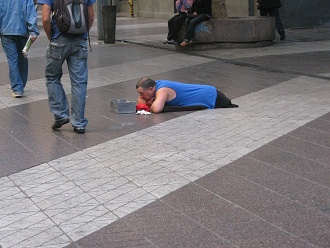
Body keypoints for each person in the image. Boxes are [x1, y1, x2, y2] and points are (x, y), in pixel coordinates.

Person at [38, 0, 96, 134]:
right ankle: (79, 122)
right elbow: (91, 16)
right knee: (79, 82)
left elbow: (46, 17)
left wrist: (50, 36)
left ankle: (61, 114)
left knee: (52, 77)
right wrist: (82, 33)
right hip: (80, 41)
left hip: (58, 39)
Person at [0, 0, 39, 98]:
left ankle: (17, 88)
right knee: (23, 59)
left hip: (6, 32)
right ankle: (21, 84)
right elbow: (31, 12)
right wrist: (33, 31)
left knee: (12, 60)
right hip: (22, 31)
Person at [136, 77, 238, 114]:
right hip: (209, 93)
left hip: (212, 96)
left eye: (142, 93)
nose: (141, 96)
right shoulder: (157, 84)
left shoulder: (162, 89)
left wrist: (148, 104)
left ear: (150, 89)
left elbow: (157, 109)